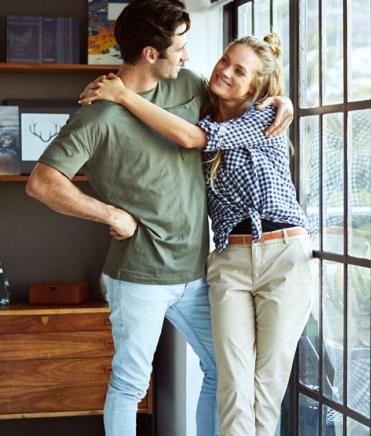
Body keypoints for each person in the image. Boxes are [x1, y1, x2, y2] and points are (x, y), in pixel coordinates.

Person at [25, 1, 293, 435]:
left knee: (223, 372)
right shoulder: (96, 115)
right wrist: (110, 213)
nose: (188, 55)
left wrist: (280, 99)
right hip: (138, 276)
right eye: (181, 46)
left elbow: (237, 98)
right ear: (152, 53)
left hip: (198, 271)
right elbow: (42, 182)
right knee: (130, 384)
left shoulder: (187, 84)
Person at [82, 33, 314, 436]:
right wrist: (110, 93)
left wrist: (121, 96)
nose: (224, 70)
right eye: (225, 60)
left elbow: (191, 139)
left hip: (283, 256)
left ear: (256, 87)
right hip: (229, 263)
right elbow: (167, 110)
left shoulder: (262, 117)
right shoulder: (199, 112)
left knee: (266, 383)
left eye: (239, 71)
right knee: (232, 382)